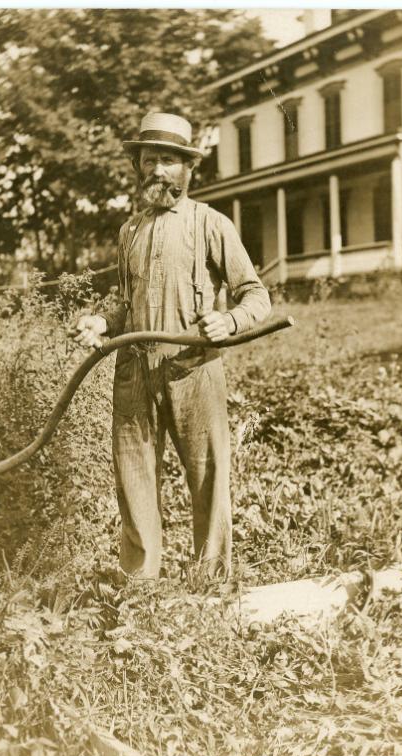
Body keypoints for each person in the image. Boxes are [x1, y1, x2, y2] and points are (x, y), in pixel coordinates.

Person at [73, 112, 270, 582]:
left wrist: (230, 320)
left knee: (207, 478)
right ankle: (142, 590)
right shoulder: (130, 232)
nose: (157, 170)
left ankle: (211, 584)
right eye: (149, 160)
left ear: (187, 168)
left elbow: (256, 296)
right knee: (134, 478)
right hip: (135, 371)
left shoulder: (210, 224)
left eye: (167, 160)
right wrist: (100, 320)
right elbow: (125, 303)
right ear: (138, 166)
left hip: (194, 368)